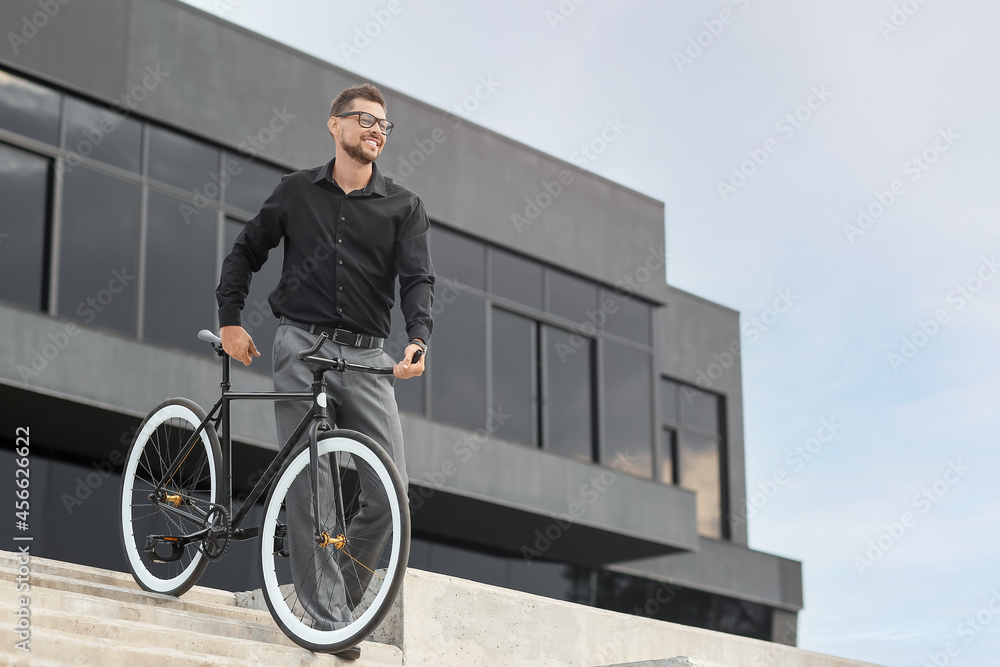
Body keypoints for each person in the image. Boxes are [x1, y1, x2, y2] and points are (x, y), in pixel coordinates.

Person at [215, 83, 435, 660]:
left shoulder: (403, 207)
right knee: (309, 484)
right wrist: (232, 319)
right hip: (299, 346)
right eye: (364, 119)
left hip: (367, 358)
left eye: (384, 125)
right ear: (334, 125)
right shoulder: (295, 192)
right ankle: (330, 618)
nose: (376, 130)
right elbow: (246, 250)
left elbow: (417, 280)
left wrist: (418, 337)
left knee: (392, 496)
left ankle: (335, 596)